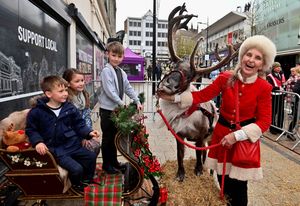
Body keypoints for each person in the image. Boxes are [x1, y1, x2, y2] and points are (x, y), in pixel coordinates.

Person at [157, 35, 276, 206]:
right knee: (222, 184)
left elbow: (264, 122)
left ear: (262, 64)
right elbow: (201, 95)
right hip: (220, 138)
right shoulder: (224, 78)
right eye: (248, 54)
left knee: (239, 190)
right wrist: (172, 98)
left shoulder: (264, 88)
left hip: (243, 142)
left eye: (258, 58)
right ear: (242, 56)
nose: (251, 60)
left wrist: (236, 136)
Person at [25, 76, 100, 192]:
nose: (65, 93)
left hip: (72, 144)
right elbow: (31, 130)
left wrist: (89, 132)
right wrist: (38, 142)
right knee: (77, 169)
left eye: (66, 90)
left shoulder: (69, 108)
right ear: (49, 94)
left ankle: (87, 180)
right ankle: (76, 186)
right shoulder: (37, 112)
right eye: (61, 91)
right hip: (56, 150)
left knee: (90, 157)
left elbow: (79, 124)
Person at [98, 41, 143, 174]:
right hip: (107, 110)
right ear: (108, 54)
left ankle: (114, 162)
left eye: (119, 56)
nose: (116, 59)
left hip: (117, 110)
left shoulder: (121, 72)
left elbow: (128, 88)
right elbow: (110, 91)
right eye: (114, 55)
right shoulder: (106, 71)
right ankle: (107, 164)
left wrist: (137, 100)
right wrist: (122, 104)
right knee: (108, 138)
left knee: (115, 138)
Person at [62, 68, 101, 154]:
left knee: (96, 145)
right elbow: (69, 122)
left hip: (83, 131)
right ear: (68, 83)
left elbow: (87, 116)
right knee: (89, 149)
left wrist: (89, 134)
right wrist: (82, 137)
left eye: (82, 80)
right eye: (77, 81)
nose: (81, 83)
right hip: (71, 135)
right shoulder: (66, 99)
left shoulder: (84, 94)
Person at [266, 62, 286, 134]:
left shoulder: (281, 75)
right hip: (274, 96)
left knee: (281, 112)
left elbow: (283, 84)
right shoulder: (269, 76)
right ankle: (272, 128)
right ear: (274, 68)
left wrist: (284, 88)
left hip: (280, 96)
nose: (279, 68)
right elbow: (270, 86)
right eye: (277, 67)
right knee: (274, 112)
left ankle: (279, 128)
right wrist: (279, 87)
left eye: (279, 67)